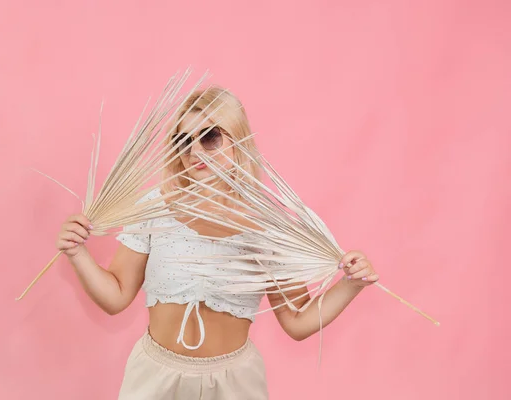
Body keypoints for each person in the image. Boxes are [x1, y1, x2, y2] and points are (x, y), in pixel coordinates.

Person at [55, 86, 379, 399]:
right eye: (184, 141)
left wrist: (351, 284)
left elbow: (298, 321)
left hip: (235, 385)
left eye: (210, 137)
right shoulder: (154, 208)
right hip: (154, 379)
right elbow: (116, 296)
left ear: (237, 138)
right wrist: (77, 253)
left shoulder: (269, 224)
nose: (195, 152)